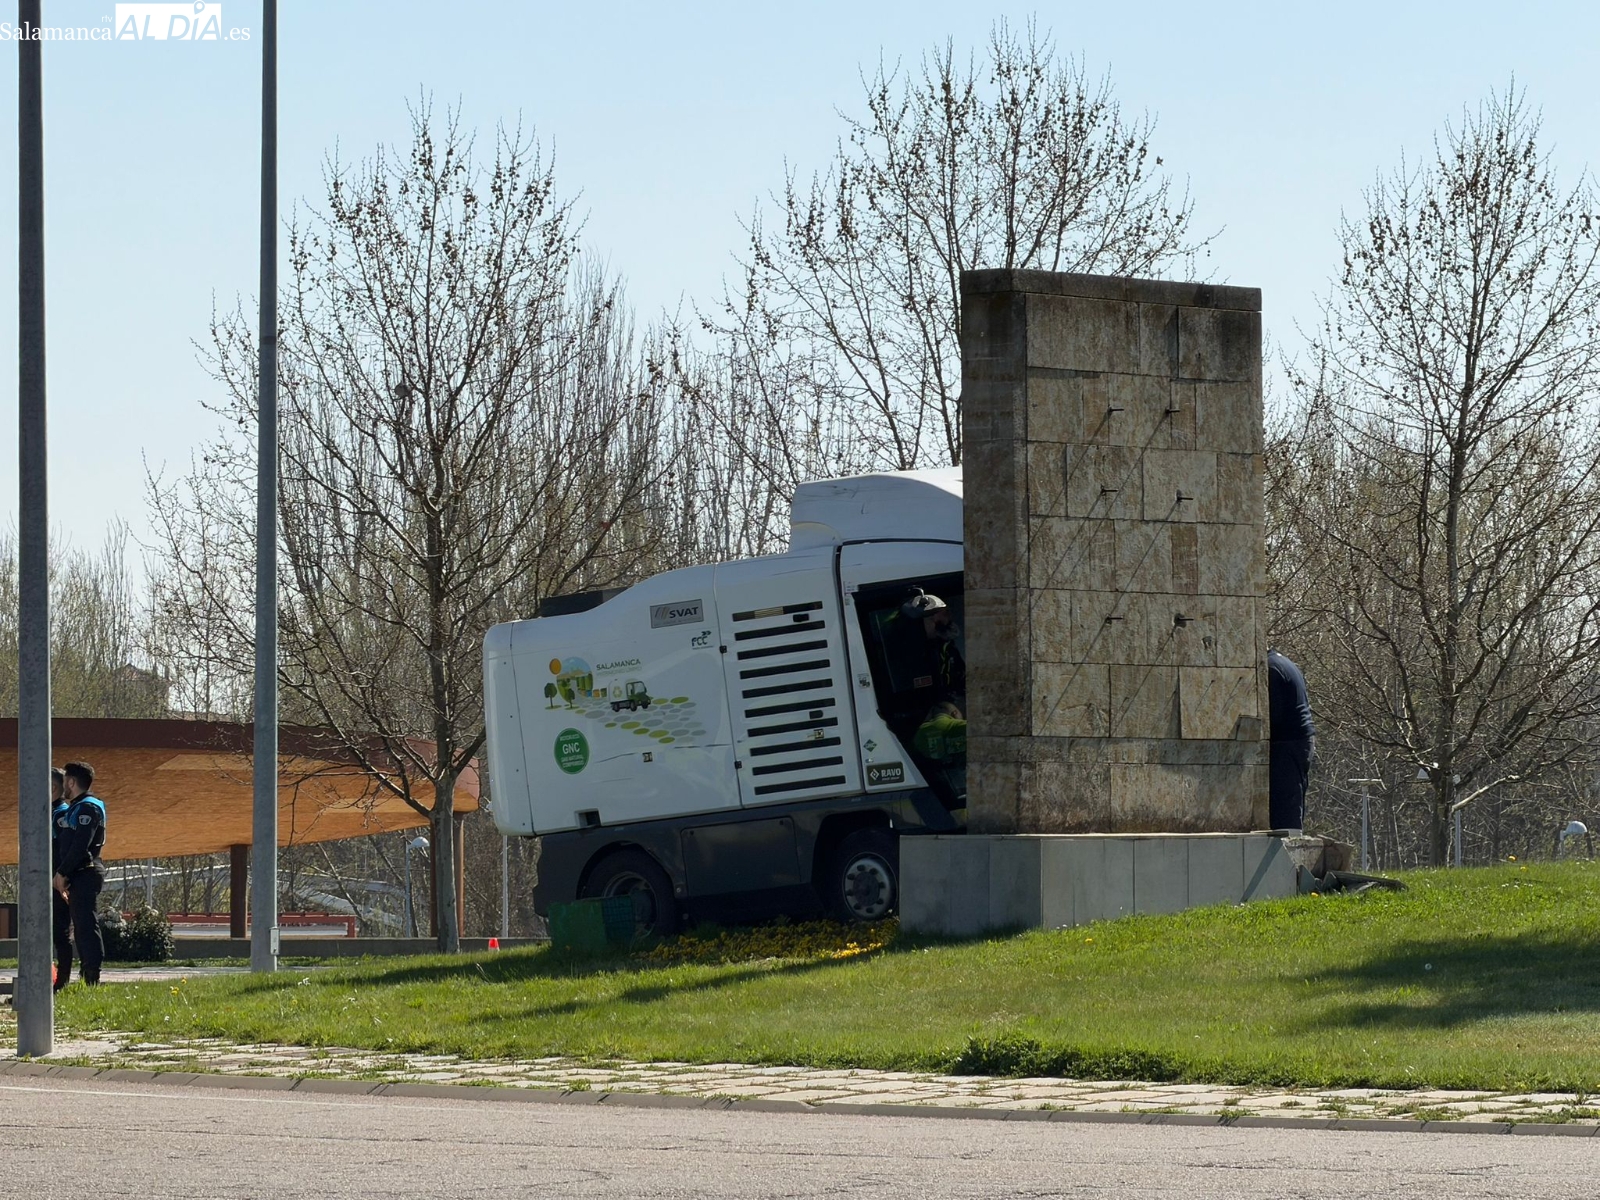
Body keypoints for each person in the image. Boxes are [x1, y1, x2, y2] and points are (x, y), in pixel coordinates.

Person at [885, 588, 967, 767]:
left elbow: (960, 678)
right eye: (942, 614)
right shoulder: (906, 654)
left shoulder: (944, 647)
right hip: (923, 721)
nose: (947, 619)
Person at [53, 760, 107, 986]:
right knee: (81, 926)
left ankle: (91, 977)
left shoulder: (88, 807)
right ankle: (86, 975)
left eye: (65, 781)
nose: (63, 786)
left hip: (86, 872)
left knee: (86, 926)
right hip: (77, 874)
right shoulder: (78, 806)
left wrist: (62, 873)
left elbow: (80, 845)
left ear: (72, 782)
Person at [1267, 649, 1314, 831]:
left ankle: (1289, 850)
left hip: (1288, 742)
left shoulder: (1271, 669)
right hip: (1300, 740)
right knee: (1293, 799)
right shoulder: (1282, 662)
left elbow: (1273, 715)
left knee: (1284, 807)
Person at [50, 767, 72, 991]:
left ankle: (61, 983)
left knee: (59, 932)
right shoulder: (50, 812)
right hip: (45, 881)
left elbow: (63, 850)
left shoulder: (61, 814)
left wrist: (60, 875)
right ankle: (47, 981)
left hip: (57, 881)